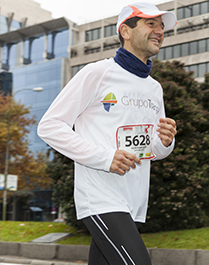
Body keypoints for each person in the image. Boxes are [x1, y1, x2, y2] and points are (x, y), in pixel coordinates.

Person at [38, 3, 177, 264]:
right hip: (101, 198)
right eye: (151, 23)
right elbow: (50, 126)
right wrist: (105, 158)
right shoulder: (97, 73)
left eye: (162, 26)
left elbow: (151, 150)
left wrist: (165, 142)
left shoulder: (154, 88)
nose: (160, 30)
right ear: (125, 30)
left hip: (133, 202)